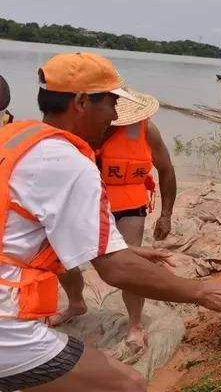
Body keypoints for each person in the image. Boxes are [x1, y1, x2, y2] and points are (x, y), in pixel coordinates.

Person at [0, 52, 221, 392]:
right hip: (7, 329)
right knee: (127, 384)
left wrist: (125, 249)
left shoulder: (15, 138)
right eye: (112, 102)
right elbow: (115, 271)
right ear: (83, 102)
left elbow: (26, 227)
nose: (116, 114)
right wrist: (201, 291)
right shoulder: (68, 161)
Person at [52, 86, 177, 355]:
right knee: (59, 260)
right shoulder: (78, 127)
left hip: (128, 204)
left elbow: (166, 169)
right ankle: (76, 303)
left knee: (130, 266)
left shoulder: (145, 129)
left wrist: (165, 215)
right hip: (85, 202)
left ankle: (135, 323)